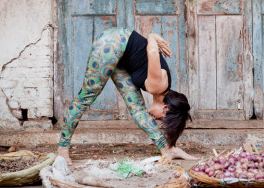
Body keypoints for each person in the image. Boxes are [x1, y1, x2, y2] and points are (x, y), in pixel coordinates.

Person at [56, 27, 198, 165]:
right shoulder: (158, 86)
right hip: (112, 42)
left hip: (121, 57)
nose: (157, 119)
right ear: (166, 108)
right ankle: (62, 149)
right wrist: (153, 36)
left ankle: (168, 149)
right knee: (87, 95)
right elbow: (153, 51)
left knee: (137, 109)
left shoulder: (160, 89)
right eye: (162, 118)